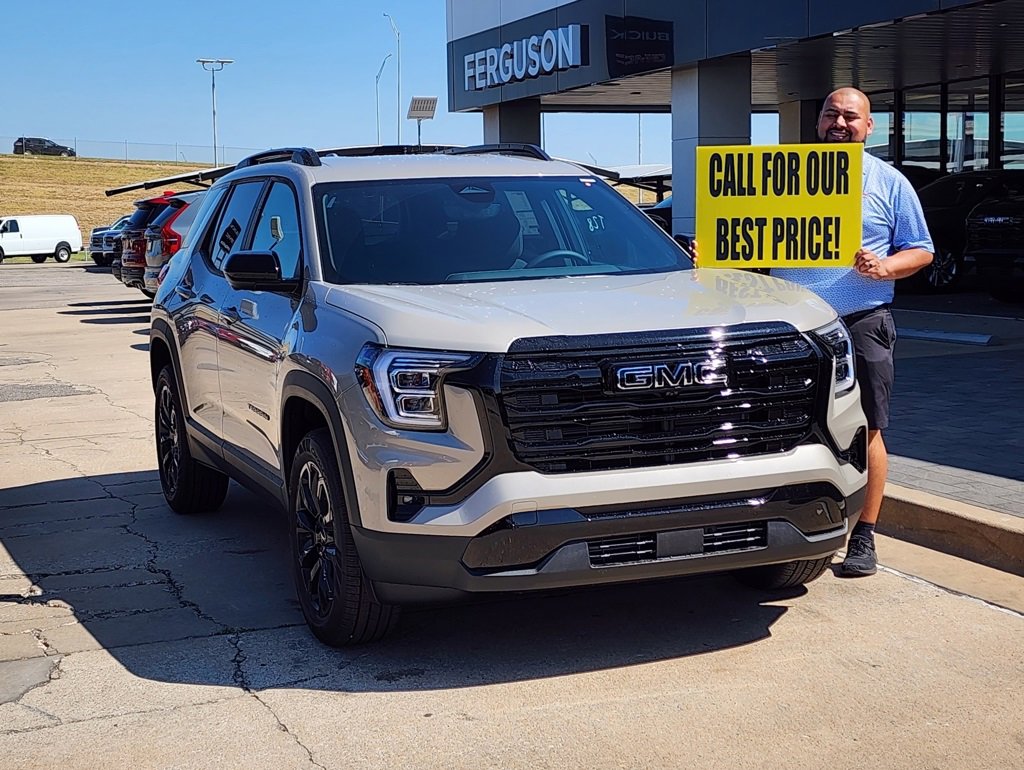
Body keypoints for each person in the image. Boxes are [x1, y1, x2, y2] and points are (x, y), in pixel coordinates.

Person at [771, 87, 934, 577]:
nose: (839, 124)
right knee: (781, 426)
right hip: (788, 326)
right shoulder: (780, 176)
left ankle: (864, 535)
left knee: (868, 428)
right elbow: (748, 239)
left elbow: (922, 249)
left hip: (862, 321)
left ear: (868, 126)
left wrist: (885, 267)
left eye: (850, 116)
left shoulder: (888, 182)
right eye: (830, 114)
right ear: (817, 122)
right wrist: (714, 252)